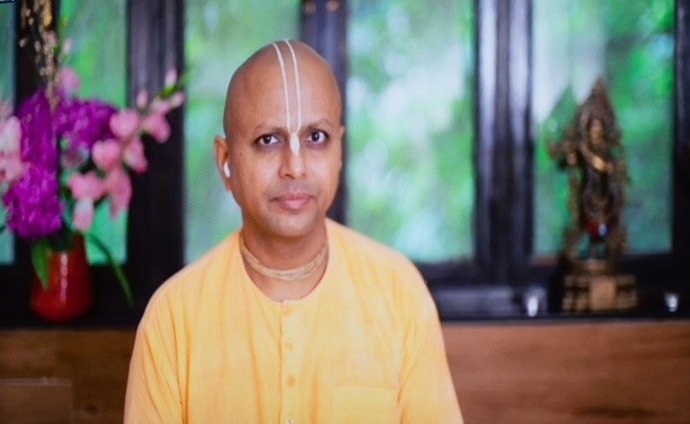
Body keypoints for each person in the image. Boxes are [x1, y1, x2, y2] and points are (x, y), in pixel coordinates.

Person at [124, 39, 464, 423]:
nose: (295, 167)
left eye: (316, 137)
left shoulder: (398, 292)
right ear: (225, 162)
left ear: (339, 151)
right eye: (268, 140)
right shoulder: (173, 318)